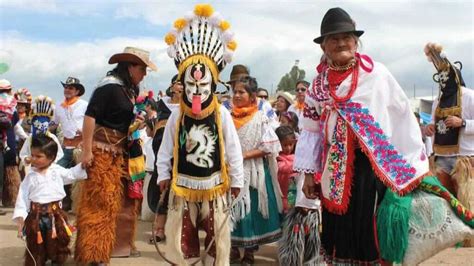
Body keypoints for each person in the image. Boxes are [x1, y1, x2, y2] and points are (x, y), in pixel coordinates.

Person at [296, 7, 429, 264]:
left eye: (347, 36)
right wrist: (309, 174)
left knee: (371, 228)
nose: (341, 42)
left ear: (356, 42)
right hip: (333, 170)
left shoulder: (376, 74)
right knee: (337, 230)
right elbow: (310, 132)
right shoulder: (318, 84)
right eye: (333, 38)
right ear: (323, 46)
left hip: (374, 168)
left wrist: (412, 160)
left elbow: (402, 116)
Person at [157, 4, 244, 264]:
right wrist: (162, 174)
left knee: (217, 242)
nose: (197, 90)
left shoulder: (222, 114)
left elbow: (233, 148)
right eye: (192, 84)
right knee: (183, 240)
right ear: (182, 85)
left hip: (215, 186)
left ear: (213, 85)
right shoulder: (177, 115)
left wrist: (237, 179)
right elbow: (166, 148)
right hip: (182, 187)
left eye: (203, 84)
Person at [74, 46, 157, 264]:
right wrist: (87, 150)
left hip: (118, 154)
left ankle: (100, 252)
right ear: (130, 67)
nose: (144, 74)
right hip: (101, 152)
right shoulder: (109, 87)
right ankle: (92, 256)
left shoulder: (126, 90)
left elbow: (117, 120)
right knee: (99, 205)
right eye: (142, 69)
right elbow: (90, 116)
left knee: (112, 205)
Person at [230, 75, 283, 264]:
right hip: (231, 171)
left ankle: (250, 253)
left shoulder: (261, 118)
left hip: (254, 173)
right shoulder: (227, 118)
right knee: (231, 209)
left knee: (250, 211)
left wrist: (243, 156)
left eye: (241, 92)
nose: (236, 95)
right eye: (234, 91)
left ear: (253, 96)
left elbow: (269, 147)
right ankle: (233, 249)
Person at [12, 134, 87, 266]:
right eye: (32, 155)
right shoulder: (30, 176)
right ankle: (38, 260)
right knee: (36, 243)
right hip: (36, 216)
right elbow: (22, 197)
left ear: (51, 157)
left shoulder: (56, 171)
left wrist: (84, 165)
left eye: (38, 156)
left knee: (57, 240)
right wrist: (21, 217)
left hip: (56, 214)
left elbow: (72, 174)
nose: (33, 159)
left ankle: (56, 259)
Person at [276, 126, 322, 265]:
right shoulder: (298, 166)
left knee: (313, 242)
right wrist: (292, 204)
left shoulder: (319, 164)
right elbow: (292, 188)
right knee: (294, 241)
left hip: (315, 209)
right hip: (297, 208)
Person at [147, 74, 181, 244]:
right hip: (164, 152)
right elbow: (153, 130)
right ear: (172, 85)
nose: (181, 87)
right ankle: (159, 229)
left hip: (185, 157)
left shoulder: (193, 105)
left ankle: (180, 232)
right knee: (163, 191)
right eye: (179, 83)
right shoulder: (162, 105)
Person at [51, 76, 87, 211]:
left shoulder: (84, 105)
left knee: (81, 179)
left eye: (70, 88)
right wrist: (41, 125)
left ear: (77, 91)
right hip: (65, 147)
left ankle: (80, 208)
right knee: (55, 173)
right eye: (66, 87)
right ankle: (60, 205)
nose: (67, 90)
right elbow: (53, 124)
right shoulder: (59, 107)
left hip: (80, 147)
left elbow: (92, 123)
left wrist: (85, 131)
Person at [1, 79, 28, 207]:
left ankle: (9, 199)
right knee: (10, 171)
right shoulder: (12, 108)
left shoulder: (12, 108)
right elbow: (16, 127)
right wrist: (26, 138)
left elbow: (16, 127)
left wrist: (26, 138)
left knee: (10, 171)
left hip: (7, 142)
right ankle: (9, 199)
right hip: (9, 143)